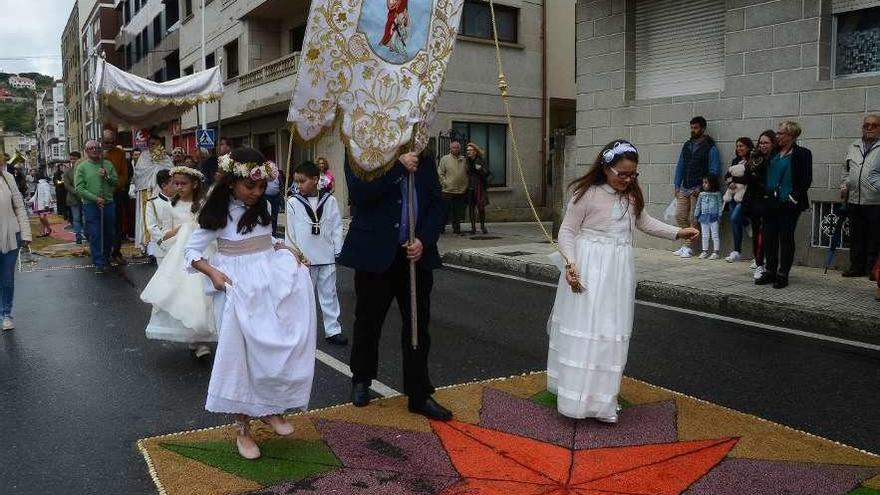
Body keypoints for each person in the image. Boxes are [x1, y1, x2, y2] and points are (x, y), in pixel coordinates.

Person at [548, 140, 698, 421]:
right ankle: (576, 401)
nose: (627, 180)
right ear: (606, 168)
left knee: (610, 332)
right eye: (622, 174)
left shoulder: (631, 197)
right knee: (588, 329)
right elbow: (567, 231)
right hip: (590, 267)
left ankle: (603, 400)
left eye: (632, 175)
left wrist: (678, 232)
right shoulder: (587, 194)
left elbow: (647, 223)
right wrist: (571, 262)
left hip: (618, 271)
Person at [185, 147, 316, 460]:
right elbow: (191, 251)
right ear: (232, 182)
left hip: (267, 283)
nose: (257, 192)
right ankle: (242, 427)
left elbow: (264, 240)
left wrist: (284, 248)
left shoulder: (264, 207)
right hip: (235, 288)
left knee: (270, 349)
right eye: (250, 186)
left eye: (261, 186)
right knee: (241, 358)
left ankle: (270, 408)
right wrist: (213, 272)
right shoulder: (218, 212)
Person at [340, 149, 452, 421]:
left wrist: (423, 240)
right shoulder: (361, 153)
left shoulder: (423, 159)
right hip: (375, 253)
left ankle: (418, 392)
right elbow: (359, 195)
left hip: (414, 257)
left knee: (417, 325)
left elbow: (437, 203)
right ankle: (361, 379)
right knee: (368, 320)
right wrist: (398, 168)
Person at [141, 166, 215, 359]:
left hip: (202, 252)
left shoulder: (202, 203)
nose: (179, 187)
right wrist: (178, 231)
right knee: (184, 293)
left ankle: (202, 336)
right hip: (179, 253)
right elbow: (165, 230)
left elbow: (210, 225)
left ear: (195, 184)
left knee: (202, 293)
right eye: (176, 183)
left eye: (183, 184)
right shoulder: (170, 205)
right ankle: (194, 336)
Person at [287, 161, 347, 346]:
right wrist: (293, 254)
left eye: (302, 181)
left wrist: (338, 249)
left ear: (315, 179)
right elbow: (291, 231)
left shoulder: (330, 201)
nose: (298, 185)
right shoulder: (292, 202)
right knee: (303, 296)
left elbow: (336, 226)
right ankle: (301, 331)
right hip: (305, 259)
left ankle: (333, 330)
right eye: (296, 181)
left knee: (329, 294)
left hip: (326, 256)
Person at [755, 121, 812, 289]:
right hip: (770, 202)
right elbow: (763, 174)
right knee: (769, 238)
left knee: (786, 238)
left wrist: (793, 198)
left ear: (791, 136)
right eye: (777, 133)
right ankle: (770, 271)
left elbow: (805, 179)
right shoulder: (773, 153)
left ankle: (783, 274)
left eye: (780, 133)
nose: (777, 136)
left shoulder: (802, 154)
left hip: (789, 203)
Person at [672, 116, 721, 258]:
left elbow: (714, 170)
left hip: (698, 189)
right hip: (684, 187)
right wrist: (676, 185)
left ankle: (687, 247)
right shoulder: (687, 145)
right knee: (679, 215)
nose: (693, 130)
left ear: (703, 129)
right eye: (691, 127)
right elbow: (680, 165)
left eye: (696, 128)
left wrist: (702, 187)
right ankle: (688, 244)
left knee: (694, 218)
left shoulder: (710, 147)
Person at [840, 114, 880, 280]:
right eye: (866, 125)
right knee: (856, 236)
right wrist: (844, 186)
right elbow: (846, 170)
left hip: (875, 200)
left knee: (875, 237)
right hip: (854, 199)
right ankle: (856, 267)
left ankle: (872, 269)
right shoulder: (853, 146)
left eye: (873, 125)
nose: (869, 128)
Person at [75, 140, 118, 275]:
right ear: (86, 151)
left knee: (109, 233)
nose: (94, 150)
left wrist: (107, 175)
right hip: (91, 205)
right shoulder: (82, 167)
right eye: (91, 148)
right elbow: (79, 188)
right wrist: (94, 198)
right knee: (95, 234)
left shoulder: (107, 164)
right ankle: (98, 262)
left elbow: (115, 181)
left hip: (108, 203)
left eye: (96, 148)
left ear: (100, 150)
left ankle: (106, 258)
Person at [0, 152, 32, 331]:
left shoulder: (8, 178)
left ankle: (6, 313)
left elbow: (19, 206)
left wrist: (26, 233)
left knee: (6, 278)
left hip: (11, 234)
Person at [740, 131, 775, 279]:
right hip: (755, 202)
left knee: (770, 235)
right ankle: (759, 263)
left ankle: (770, 264)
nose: (762, 146)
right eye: (761, 143)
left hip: (771, 202)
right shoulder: (755, 158)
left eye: (766, 143)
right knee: (757, 234)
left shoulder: (775, 158)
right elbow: (747, 179)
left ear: (773, 143)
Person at [131, 136, 172, 256]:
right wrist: (153, 172)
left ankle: (164, 243)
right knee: (148, 219)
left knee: (162, 218)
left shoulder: (165, 157)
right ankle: (148, 247)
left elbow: (170, 171)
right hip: (146, 191)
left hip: (162, 192)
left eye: (155, 143)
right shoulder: (143, 156)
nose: (152, 146)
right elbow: (139, 172)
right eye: (151, 144)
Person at [723, 137, 754, 263]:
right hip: (732, 195)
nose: (739, 148)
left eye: (741, 146)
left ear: (748, 147)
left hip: (746, 196)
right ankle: (736, 251)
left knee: (736, 218)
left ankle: (746, 222)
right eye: (737, 146)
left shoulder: (752, 160)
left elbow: (748, 179)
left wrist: (734, 180)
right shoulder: (735, 160)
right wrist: (730, 182)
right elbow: (727, 175)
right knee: (734, 222)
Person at [102, 129, 130, 266]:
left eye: (112, 142)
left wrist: (116, 187)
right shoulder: (97, 153)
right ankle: (104, 253)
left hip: (116, 193)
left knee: (117, 225)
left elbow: (124, 174)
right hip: (99, 195)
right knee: (102, 226)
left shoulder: (119, 154)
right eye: (106, 142)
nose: (109, 144)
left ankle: (116, 252)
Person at [144, 170, 177, 263]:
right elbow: (152, 227)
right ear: (164, 186)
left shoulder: (180, 201)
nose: (177, 186)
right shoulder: (152, 203)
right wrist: (164, 244)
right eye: (173, 183)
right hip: (162, 249)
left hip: (180, 245)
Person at [438, 141, 468, 235]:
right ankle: (441, 228)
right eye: (454, 147)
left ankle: (457, 229)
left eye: (457, 147)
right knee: (445, 211)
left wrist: (466, 184)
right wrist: (445, 183)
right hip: (448, 190)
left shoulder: (463, 159)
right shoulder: (445, 159)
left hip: (460, 190)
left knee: (457, 212)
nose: (456, 149)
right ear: (450, 149)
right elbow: (440, 173)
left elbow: (467, 172)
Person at [694, 176, 723, 260]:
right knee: (705, 235)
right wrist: (696, 216)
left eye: (706, 182)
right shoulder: (701, 194)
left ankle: (716, 252)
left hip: (714, 217)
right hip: (703, 216)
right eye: (703, 182)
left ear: (712, 183)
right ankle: (704, 251)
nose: (704, 184)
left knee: (715, 235)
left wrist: (719, 216)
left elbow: (720, 205)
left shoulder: (717, 194)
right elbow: (698, 206)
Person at [465, 142, 490, 235]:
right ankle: (473, 228)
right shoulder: (467, 161)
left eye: (470, 150)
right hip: (470, 187)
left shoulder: (480, 160)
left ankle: (483, 226)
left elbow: (487, 173)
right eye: (467, 150)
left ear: (475, 151)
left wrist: (480, 169)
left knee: (481, 207)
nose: (468, 152)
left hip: (479, 187)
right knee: (471, 207)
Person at [63, 152, 84, 244]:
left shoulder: (84, 169)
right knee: (76, 218)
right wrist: (77, 192)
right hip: (73, 198)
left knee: (86, 218)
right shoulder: (68, 171)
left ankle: (87, 234)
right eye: (71, 159)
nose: (73, 161)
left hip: (85, 197)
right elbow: (67, 185)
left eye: (75, 158)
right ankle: (78, 236)